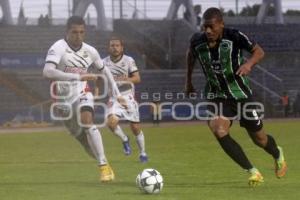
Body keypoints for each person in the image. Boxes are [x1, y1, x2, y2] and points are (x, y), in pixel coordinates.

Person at [185, 7, 287, 186]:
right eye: (204, 27)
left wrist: (249, 64)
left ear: (221, 24)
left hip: (240, 94)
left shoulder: (234, 36)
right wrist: (188, 81)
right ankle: (253, 171)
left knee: (260, 139)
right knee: (218, 129)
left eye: (211, 27)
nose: (208, 31)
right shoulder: (196, 41)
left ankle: (277, 153)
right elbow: (190, 56)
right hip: (216, 95)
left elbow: (259, 52)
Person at [43, 16, 125, 182]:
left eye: (81, 32)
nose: (78, 36)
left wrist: (117, 94)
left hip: (82, 92)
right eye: (74, 32)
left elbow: (105, 71)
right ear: (67, 32)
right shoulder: (58, 47)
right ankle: (105, 164)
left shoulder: (90, 51)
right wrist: (77, 77)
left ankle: (102, 167)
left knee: (88, 121)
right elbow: (47, 72)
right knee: (84, 142)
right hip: (62, 100)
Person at [101, 36, 148, 163]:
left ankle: (143, 152)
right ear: (108, 48)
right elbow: (100, 79)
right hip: (114, 98)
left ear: (122, 48)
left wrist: (124, 79)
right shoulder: (103, 62)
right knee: (110, 123)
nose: (115, 48)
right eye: (112, 45)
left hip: (128, 96)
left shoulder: (128, 60)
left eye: (117, 45)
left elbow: (137, 78)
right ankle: (124, 139)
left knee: (135, 128)